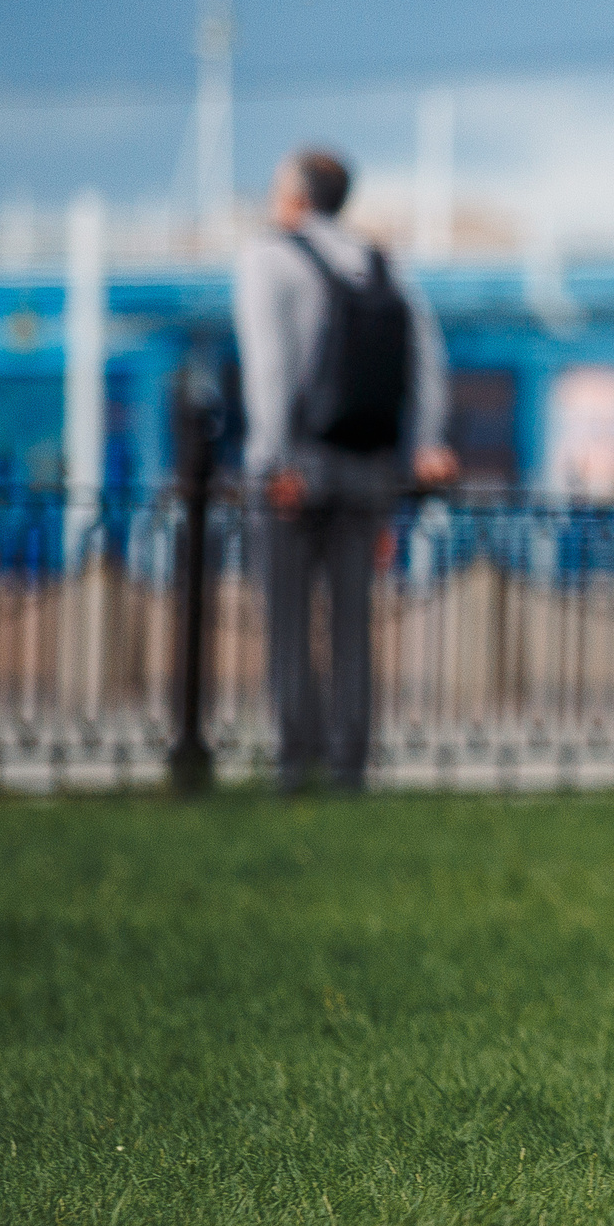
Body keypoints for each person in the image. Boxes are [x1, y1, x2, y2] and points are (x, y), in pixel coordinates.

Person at [233, 148, 458, 791]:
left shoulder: (268, 256)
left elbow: (270, 367)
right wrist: (429, 441)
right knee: (354, 621)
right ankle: (349, 762)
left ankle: (292, 760)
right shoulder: (382, 264)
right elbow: (427, 359)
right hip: (370, 464)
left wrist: (270, 458)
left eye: (278, 182)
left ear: (298, 197)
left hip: (296, 464)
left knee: (287, 619)